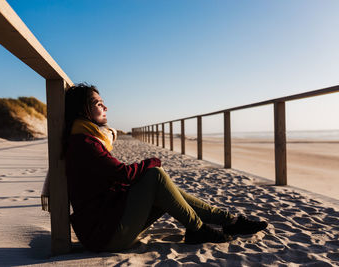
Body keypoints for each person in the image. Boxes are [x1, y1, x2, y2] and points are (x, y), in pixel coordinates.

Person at [61, 83, 267, 252]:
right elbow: (122, 174)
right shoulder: (84, 143)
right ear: (83, 110)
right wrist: (152, 161)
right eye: (99, 104)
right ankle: (199, 228)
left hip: (108, 223)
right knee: (154, 175)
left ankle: (226, 220)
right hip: (104, 236)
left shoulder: (87, 139)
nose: (106, 108)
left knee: (160, 185)